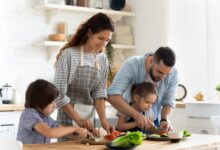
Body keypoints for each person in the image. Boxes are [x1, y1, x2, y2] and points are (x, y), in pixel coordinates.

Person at [54, 12, 115, 140]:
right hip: (67, 121)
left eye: (107, 40)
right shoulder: (69, 55)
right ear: (89, 33)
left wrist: (104, 122)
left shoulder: (102, 59)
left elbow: (99, 92)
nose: (103, 44)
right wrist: (78, 119)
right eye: (100, 38)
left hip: (89, 122)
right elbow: (58, 93)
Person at [108, 47, 179, 132]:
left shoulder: (174, 73)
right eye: (160, 72)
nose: (163, 78)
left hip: (154, 122)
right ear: (151, 61)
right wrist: (137, 116)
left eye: (167, 74)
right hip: (130, 118)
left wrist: (164, 120)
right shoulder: (132, 64)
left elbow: (169, 102)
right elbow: (112, 95)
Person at [17, 79, 90, 144]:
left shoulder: (46, 118)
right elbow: (50, 133)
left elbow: (62, 131)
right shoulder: (29, 114)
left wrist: (81, 133)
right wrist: (75, 128)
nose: (55, 105)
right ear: (39, 101)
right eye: (51, 102)